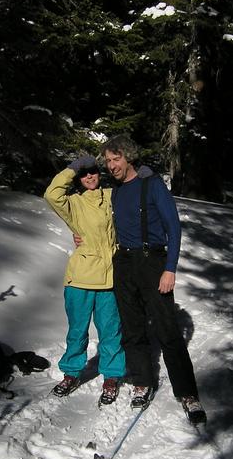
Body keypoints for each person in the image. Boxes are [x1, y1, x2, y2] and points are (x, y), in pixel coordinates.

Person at [101, 134, 206, 424]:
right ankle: (143, 382)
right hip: (124, 263)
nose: (112, 165)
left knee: (166, 329)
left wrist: (169, 268)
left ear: (129, 157)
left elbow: (174, 227)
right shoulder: (116, 190)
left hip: (152, 261)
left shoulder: (152, 184)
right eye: (108, 161)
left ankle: (187, 393)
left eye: (117, 159)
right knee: (132, 328)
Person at [44, 154, 126, 404]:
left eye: (93, 172)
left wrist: (143, 176)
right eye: (84, 173)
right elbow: (51, 194)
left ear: (100, 174)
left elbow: (135, 200)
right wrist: (72, 168)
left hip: (110, 277)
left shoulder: (113, 196)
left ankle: (111, 376)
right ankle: (71, 373)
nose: (89, 176)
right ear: (78, 179)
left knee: (111, 331)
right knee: (77, 331)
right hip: (81, 278)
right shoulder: (74, 203)